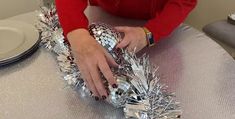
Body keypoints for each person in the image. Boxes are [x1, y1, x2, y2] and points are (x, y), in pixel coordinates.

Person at [55, 0, 197, 100]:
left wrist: (150, 33)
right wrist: (76, 33)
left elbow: (184, 1)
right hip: (103, 16)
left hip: (161, 36)